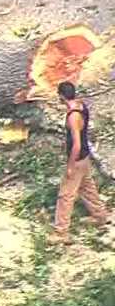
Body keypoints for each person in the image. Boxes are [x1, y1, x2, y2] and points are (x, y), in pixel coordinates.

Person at [51, 82, 109, 241]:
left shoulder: (73, 116)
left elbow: (76, 144)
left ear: (62, 96)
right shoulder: (81, 106)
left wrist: (70, 166)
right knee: (87, 187)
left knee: (66, 195)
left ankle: (60, 232)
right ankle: (100, 216)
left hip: (77, 159)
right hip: (85, 157)